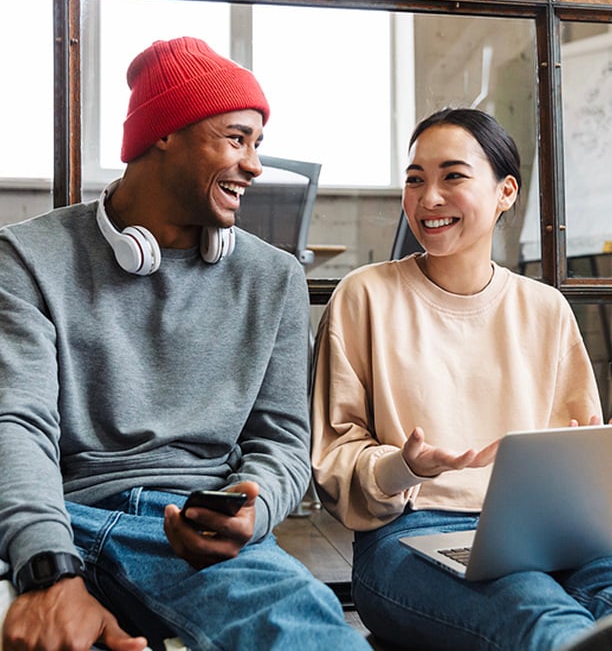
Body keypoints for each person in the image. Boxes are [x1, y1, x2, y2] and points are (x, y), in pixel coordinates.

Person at [0, 36, 370, 651]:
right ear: (164, 135)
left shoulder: (272, 276)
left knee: (301, 627)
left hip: (194, 527)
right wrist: (47, 567)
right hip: (64, 516)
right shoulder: (28, 259)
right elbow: (16, 424)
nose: (254, 165)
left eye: (258, 144)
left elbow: (281, 441)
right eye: (235, 138)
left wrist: (253, 514)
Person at [310, 107, 612, 650]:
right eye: (414, 179)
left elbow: (577, 448)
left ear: (506, 192)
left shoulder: (544, 308)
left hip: (548, 537)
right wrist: (403, 466)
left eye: (452, 176)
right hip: (411, 534)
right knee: (534, 609)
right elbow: (335, 462)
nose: (428, 199)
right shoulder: (365, 296)